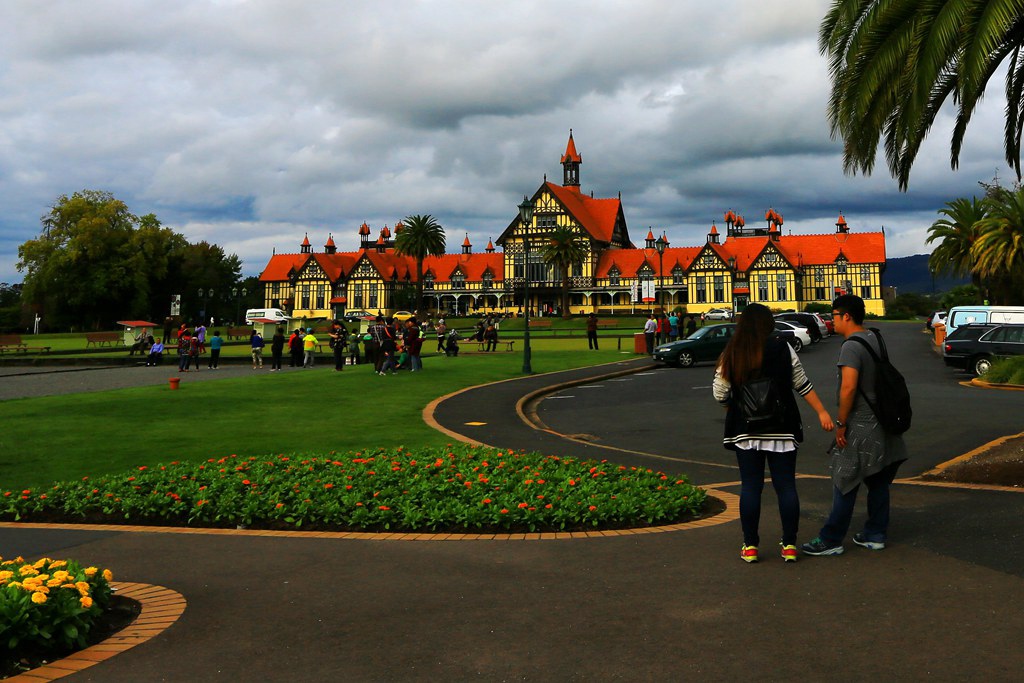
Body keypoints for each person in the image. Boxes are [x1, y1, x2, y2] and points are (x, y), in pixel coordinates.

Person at [713, 303, 834, 563]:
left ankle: (751, 546)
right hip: (782, 427)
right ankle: (789, 545)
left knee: (750, 488)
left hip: (746, 431)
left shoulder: (732, 351)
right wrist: (822, 412)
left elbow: (720, 392)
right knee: (786, 486)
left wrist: (732, 408)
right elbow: (801, 383)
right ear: (768, 323)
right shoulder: (782, 347)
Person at [802, 295, 909, 557]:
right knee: (878, 479)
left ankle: (831, 538)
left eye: (835, 315)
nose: (832, 320)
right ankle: (875, 534)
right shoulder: (874, 337)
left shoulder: (850, 346)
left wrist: (841, 424)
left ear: (846, 316)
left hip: (861, 423)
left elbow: (849, 387)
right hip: (883, 420)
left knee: (845, 478)